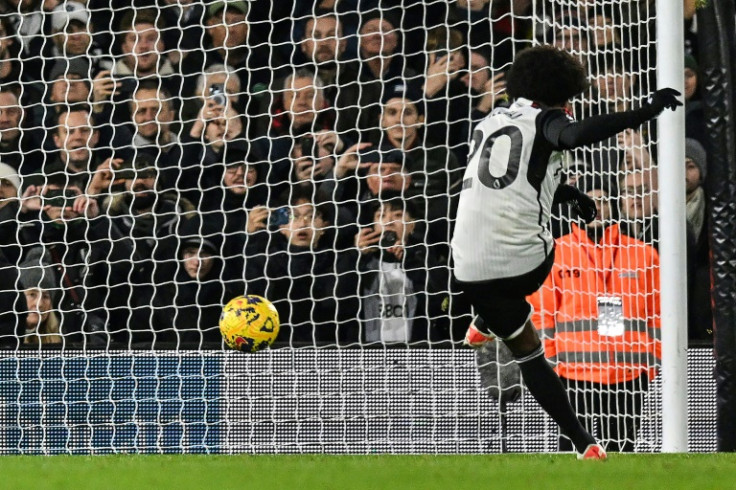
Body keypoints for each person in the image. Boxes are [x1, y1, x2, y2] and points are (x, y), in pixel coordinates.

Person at [451, 45, 681, 460]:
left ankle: (485, 323)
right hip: (523, 266)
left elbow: (514, 182)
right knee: (532, 349)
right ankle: (585, 442)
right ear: (561, 93)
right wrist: (647, 110)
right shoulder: (547, 120)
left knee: (519, 335)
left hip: (465, 265)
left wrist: (569, 193)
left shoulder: (488, 122)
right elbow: (572, 135)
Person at [527, 176, 661, 452]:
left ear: (613, 205)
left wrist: (650, 364)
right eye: (589, 201)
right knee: (573, 453)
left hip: (628, 374)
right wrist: (553, 365)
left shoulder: (643, 254)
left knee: (623, 455)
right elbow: (542, 313)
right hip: (574, 374)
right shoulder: (557, 252)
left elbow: (657, 313)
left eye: (602, 200)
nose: (597, 207)